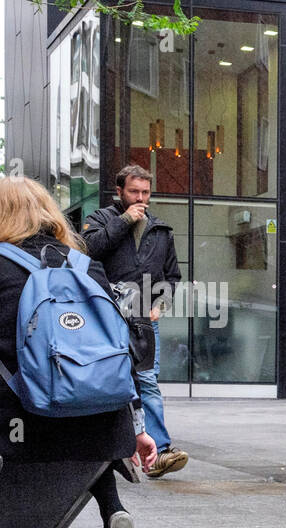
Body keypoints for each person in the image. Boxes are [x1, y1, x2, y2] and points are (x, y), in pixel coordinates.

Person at [0, 177, 156, 528]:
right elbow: (118, 352)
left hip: (18, 425)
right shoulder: (88, 267)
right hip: (100, 424)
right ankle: (113, 512)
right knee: (80, 401)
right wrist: (137, 427)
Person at [82, 165, 187, 479]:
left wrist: (162, 303)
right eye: (134, 192)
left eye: (145, 192)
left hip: (143, 318)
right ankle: (107, 447)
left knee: (147, 380)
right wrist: (125, 220)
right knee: (106, 378)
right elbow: (88, 250)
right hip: (104, 314)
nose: (140, 198)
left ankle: (160, 452)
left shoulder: (161, 229)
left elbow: (172, 277)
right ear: (119, 191)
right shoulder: (101, 220)